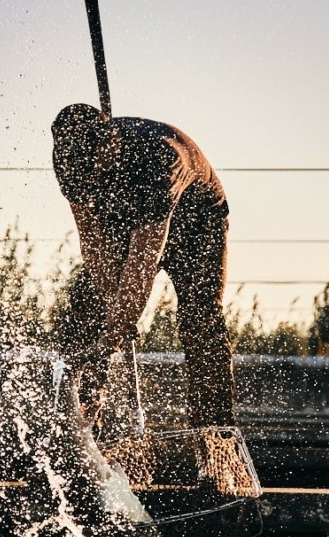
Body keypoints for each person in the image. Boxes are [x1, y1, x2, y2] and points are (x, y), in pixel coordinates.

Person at [51, 103, 236, 430]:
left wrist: (116, 332)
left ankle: (214, 440)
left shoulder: (157, 162)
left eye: (93, 174)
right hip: (127, 217)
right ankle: (83, 428)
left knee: (200, 320)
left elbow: (141, 267)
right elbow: (93, 244)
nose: (86, 184)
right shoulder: (69, 161)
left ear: (108, 148)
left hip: (197, 223)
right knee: (88, 305)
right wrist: (109, 303)